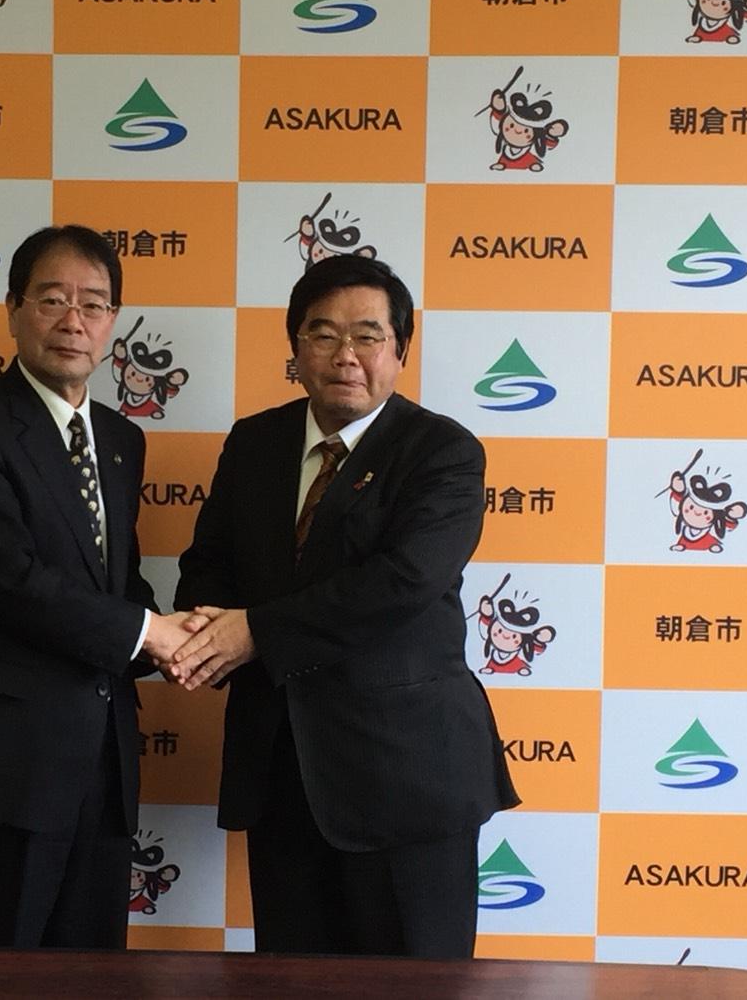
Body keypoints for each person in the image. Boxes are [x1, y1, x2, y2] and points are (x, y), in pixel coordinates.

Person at [170, 254, 518, 957]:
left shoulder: (442, 452)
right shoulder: (254, 443)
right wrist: (204, 628)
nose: (345, 355)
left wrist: (253, 633)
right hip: (282, 774)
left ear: (400, 350)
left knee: (412, 984)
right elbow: (209, 564)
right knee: (291, 982)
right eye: (323, 334)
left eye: (367, 335)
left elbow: (403, 582)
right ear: (295, 348)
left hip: (407, 777)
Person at [0, 224, 195, 949]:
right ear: (13, 309)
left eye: (94, 304)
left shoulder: (121, 440)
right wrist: (151, 634)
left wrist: (180, 641)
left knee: (92, 976)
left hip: (102, 762)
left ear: (113, 321)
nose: (73, 321)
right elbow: (10, 580)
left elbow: (116, 581)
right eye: (53, 299)